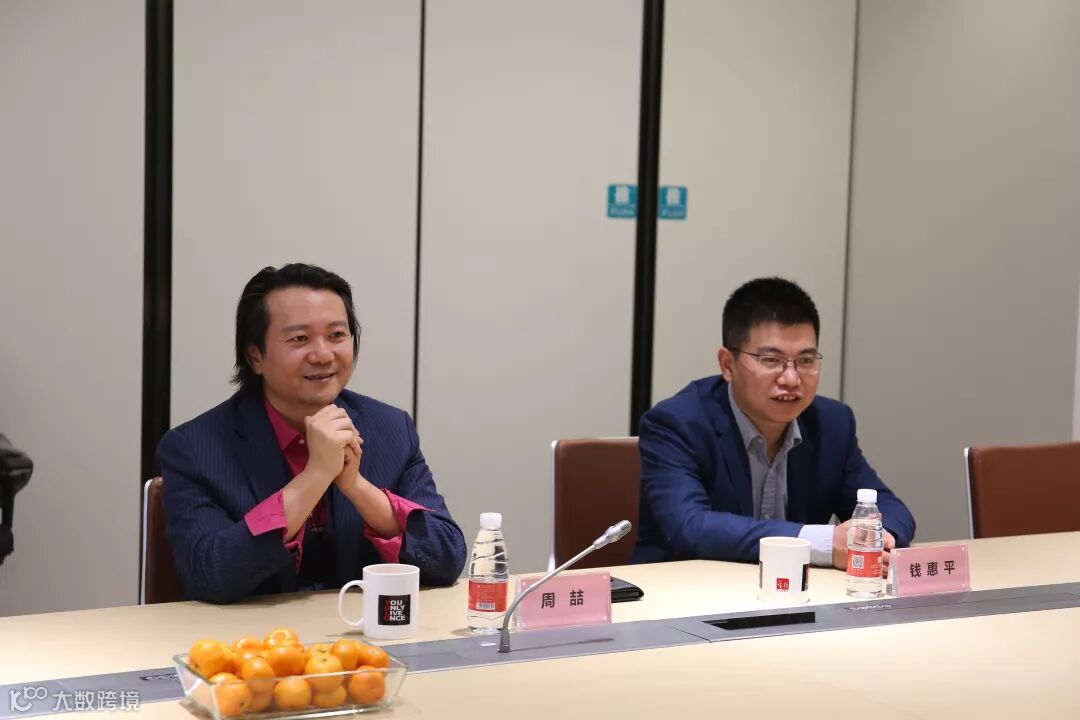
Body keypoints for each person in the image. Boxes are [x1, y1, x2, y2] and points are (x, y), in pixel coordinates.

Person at [157, 263, 466, 603]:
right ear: (255, 355)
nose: (323, 355)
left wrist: (356, 486)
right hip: (252, 635)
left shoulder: (390, 429)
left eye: (337, 335)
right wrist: (315, 476)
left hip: (359, 633)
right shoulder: (195, 448)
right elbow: (210, 576)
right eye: (299, 339)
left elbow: (446, 560)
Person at [633, 277, 915, 572]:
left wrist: (878, 540)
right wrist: (823, 542)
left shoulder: (832, 424)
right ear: (727, 364)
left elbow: (890, 509)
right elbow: (691, 527)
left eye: (806, 361)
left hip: (798, 593)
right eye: (771, 360)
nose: (791, 379)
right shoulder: (677, 423)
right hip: (686, 591)